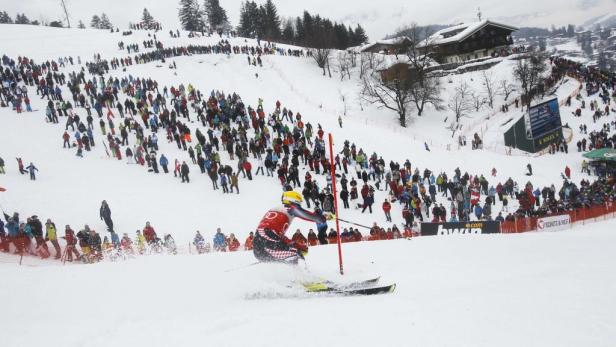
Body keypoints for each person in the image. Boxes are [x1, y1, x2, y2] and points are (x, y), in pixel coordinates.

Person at [253, 190, 330, 264]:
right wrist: (322, 218)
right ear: (293, 200)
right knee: (294, 254)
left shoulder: (275, 210)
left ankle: (290, 275)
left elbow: (275, 235)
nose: (299, 205)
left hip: (260, 247)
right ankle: (300, 275)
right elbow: (304, 214)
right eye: (299, 203)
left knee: (292, 255)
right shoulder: (288, 207)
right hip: (265, 243)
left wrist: (293, 244)